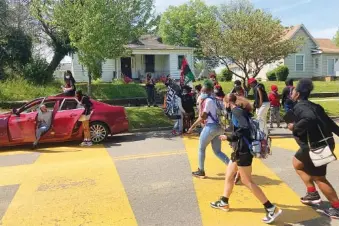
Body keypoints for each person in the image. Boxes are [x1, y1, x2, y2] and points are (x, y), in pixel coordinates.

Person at [210, 93, 282, 224]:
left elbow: (244, 128)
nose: (223, 106)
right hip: (239, 150)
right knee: (229, 175)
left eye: (223, 103)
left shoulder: (236, 111)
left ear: (227, 102)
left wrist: (229, 137)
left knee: (247, 181)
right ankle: (224, 201)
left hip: (244, 150)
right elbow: (240, 127)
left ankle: (271, 208)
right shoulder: (238, 111)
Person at [287, 79, 339, 219]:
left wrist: (294, 127)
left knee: (319, 177)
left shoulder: (299, 107)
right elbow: (330, 123)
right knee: (297, 164)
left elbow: (309, 119)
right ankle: (312, 193)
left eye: (293, 91)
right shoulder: (315, 106)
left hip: (315, 146)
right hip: (323, 142)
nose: (291, 93)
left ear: (297, 94)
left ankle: (336, 207)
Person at [187, 80, 230, 178]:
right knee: (217, 151)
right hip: (219, 127)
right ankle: (233, 168)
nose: (202, 90)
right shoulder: (215, 99)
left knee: (201, 149)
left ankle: (201, 170)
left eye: (203, 88)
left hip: (210, 127)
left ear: (205, 89)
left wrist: (192, 127)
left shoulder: (208, 101)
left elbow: (203, 116)